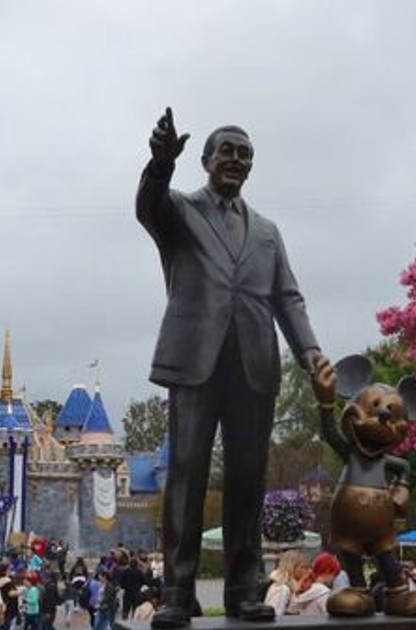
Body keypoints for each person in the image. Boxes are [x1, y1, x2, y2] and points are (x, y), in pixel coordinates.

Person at [137, 107, 326, 628]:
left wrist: (310, 353)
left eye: (245, 154)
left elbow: (288, 298)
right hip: (195, 362)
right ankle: (177, 593)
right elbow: (148, 207)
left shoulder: (267, 231)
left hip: (253, 365)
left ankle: (244, 590)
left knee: (247, 480)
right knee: (186, 477)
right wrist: (160, 164)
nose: (236, 160)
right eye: (227, 151)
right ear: (205, 159)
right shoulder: (180, 211)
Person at [263, 550, 308, 617]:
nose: (305, 571)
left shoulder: (288, 586)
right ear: (292, 567)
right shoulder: (282, 589)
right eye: (302, 567)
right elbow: (277, 614)